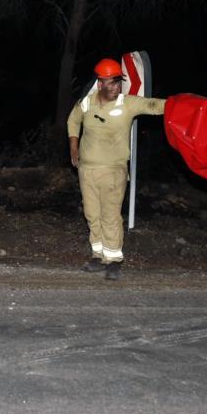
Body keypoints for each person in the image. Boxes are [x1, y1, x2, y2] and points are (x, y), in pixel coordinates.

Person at [67, 58, 166, 280]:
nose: (116, 87)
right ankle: (98, 255)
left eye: (118, 82)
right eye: (111, 83)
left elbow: (154, 105)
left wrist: (178, 104)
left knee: (110, 215)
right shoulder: (87, 102)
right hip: (87, 170)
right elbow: (73, 120)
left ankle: (113, 261)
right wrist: (74, 147)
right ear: (100, 83)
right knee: (92, 214)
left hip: (114, 170)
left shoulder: (127, 103)